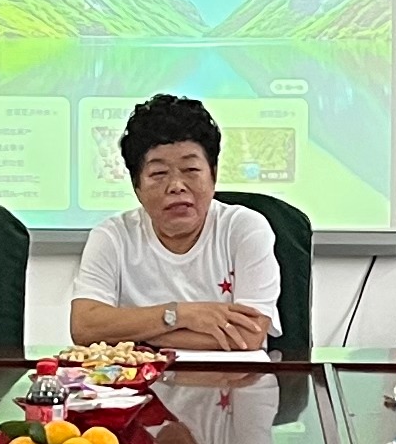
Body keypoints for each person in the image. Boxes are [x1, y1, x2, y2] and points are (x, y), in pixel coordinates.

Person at [68, 94, 280, 355]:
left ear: (213, 175)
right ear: (137, 186)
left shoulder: (245, 228)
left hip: (235, 378)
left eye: (191, 170)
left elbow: (248, 336)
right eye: (159, 174)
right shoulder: (112, 236)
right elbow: (84, 327)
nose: (177, 186)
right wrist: (179, 315)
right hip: (139, 382)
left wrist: (134, 337)